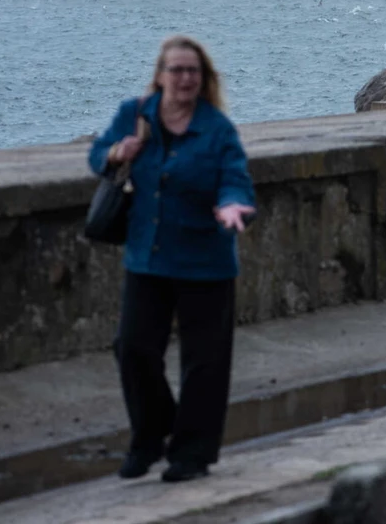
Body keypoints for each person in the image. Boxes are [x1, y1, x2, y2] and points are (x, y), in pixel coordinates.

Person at [89, 35, 256, 483]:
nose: (184, 78)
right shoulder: (135, 115)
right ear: (160, 75)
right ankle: (150, 435)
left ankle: (192, 453)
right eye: (176, 70)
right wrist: (115, 152)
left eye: (192, 71)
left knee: (205, 363)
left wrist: (233, 205)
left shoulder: (216, 128)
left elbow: (236, 179)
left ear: (203, 79)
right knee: (133, 349)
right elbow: (96, 155)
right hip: (149, 257)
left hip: (206, 261)